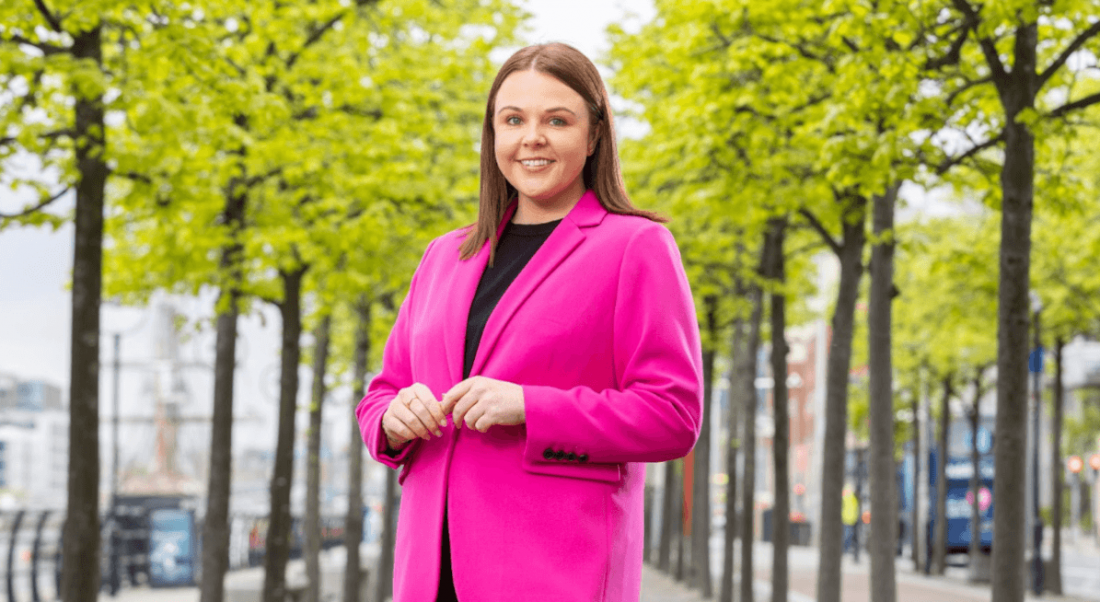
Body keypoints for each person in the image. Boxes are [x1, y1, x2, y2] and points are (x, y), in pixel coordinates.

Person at [356, 42, 703, 602]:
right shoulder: (445, 257)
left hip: (555, 570)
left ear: (593, 137)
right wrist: (393, 420)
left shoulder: (636, 246)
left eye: (556, 120)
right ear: (493, 135)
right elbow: (382, 394)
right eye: (512, 119)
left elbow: (673, 415)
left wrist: (530, 407)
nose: (531, 137)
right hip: (428, 570)